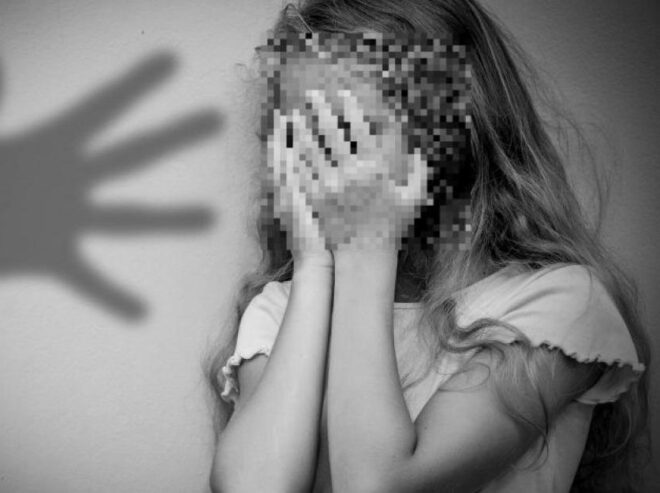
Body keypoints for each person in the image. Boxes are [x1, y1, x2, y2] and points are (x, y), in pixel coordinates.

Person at [203, 1, 650, 492]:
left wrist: (367, 243)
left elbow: (376, 485)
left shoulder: (559, 304)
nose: (323, 159)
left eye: (349, 126)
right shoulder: (284, 310)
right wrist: (312, 268)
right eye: (302, 129)